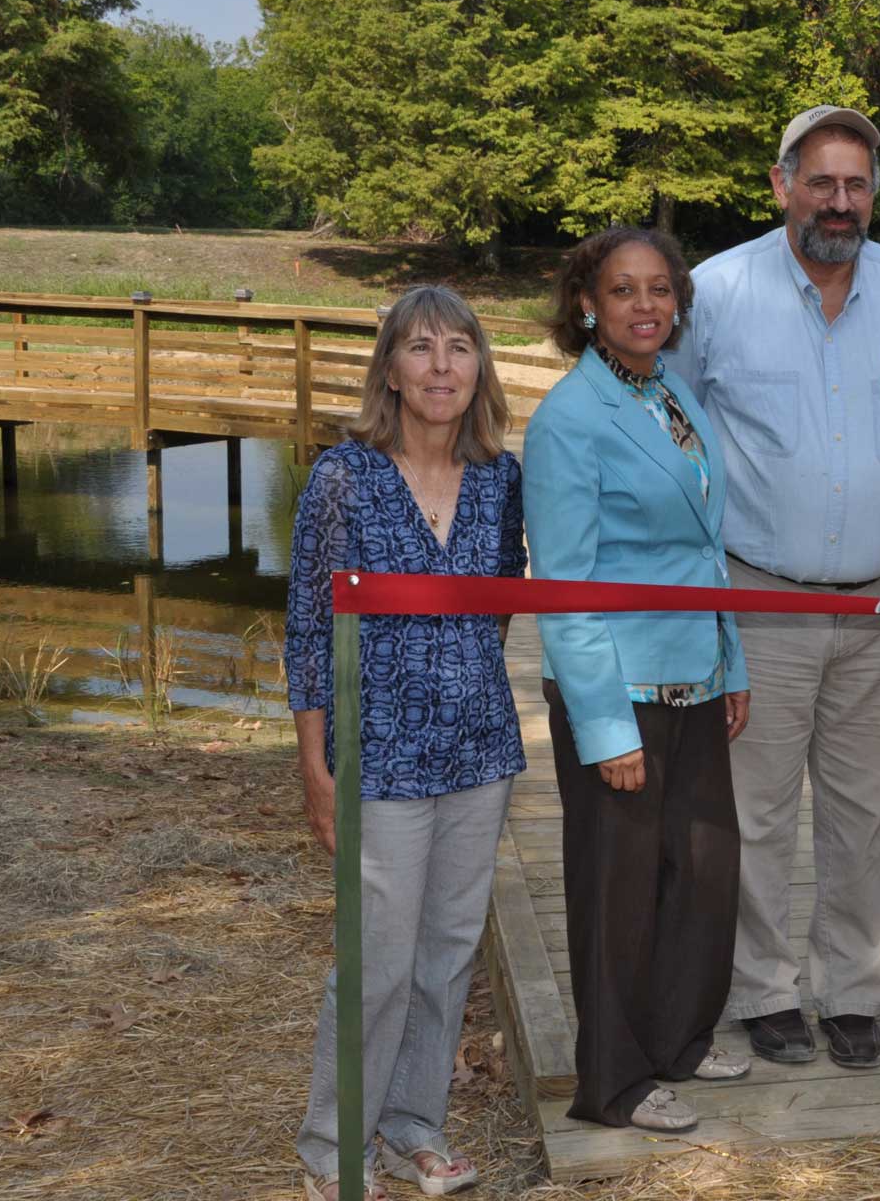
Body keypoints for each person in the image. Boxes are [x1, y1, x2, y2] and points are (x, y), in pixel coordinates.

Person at [671, 106, 880, 1070]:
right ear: (781, 183)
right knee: (753, 806)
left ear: (875, 193)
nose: (840, 204)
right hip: (762, 594)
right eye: (822, 183)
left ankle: (852, 990)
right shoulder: (715, 292)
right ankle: (760, 990)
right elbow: (672, 439)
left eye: (858, 186)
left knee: (873, 808)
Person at [287, 285, 524, 1200]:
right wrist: (315, 764)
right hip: (376, 756)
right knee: (378, 959)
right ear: (389, 366)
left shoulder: (502, 477)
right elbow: (310, 627)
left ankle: (412, 1124)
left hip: (478, 752)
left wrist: (459, 687)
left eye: (459, 348)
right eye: (420, 348)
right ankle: (332, 1145)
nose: (440, 368)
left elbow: (503, 602)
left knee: (447, 953)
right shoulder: (344, 477)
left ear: (479, 367)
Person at [523, 227, 752, 1132]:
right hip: (621, 689)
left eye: (661, 289)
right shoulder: (570, 420)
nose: (646, 306)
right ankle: (613, 1083)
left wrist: (730, 660)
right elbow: (564, 588)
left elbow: (705, 548)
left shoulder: (672, 393)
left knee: (700, 872)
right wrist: (605, 727)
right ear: (587, 305)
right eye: (624, 291)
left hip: (695, 673)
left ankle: (679, 1040)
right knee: (616, 889)